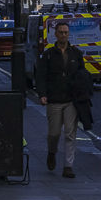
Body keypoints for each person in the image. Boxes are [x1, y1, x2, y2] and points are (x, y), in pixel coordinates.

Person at [35, 19, 86, 178]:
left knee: (70, 134)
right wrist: (42, 94)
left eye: (66, 32)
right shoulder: (49, 54)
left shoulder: (76, 54)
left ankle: (68, 166)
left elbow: (82, 75)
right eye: (61, 32)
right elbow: (41, 76)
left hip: (71, 100)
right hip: (54, 99)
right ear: (55, 34)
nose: (64, 35)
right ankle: (52, 152)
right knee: (54, 133)